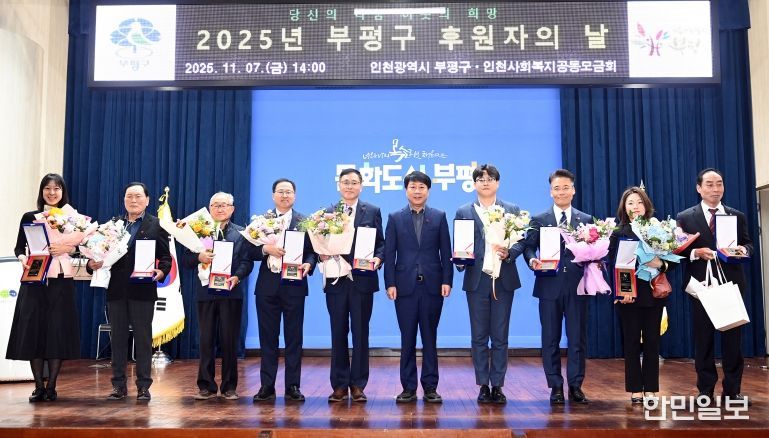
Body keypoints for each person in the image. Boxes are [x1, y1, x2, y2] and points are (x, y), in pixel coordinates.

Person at [88, 182, 171, 401]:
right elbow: (97, 254)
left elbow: (166, 258)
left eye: (138, 196)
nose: (133, 200)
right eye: (129, 196)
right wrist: (91, 263)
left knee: (143, 339)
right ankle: (118, 385)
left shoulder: (156, 225)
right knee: (117, 338)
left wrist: (161, 271)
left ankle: (143, 386)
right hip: (116, 289)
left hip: (142, 291)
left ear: (147, 200)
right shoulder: (112, 225)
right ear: (123, 199)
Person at [676, 168, 753, 404]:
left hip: (731, 284)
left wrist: (743, 250)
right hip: (701, 287)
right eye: (709, 184)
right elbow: (676, 251)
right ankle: (705, 391)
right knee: (704, 341)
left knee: (733, 342)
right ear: (699, 188)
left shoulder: (736, 215)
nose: (715, 189)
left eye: (719, 184)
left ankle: (733, 391)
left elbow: (749, 243)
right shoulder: (685, 217)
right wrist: (695, 253)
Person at [454, 164, 524, 405]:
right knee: (479, 336)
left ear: (498, 183)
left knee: (500, 336)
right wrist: (460, 260)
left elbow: (521, 241)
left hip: (503, 279)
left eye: (490, 178)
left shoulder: (511, 210)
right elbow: (459, 243)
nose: (485, 182)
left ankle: (498, 385)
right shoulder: (464, 211)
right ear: (474, 184)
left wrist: (510, 252)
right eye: (481, 179)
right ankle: (483, 384)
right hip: (477, 280)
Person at [7, 173, 80, 402]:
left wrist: (67, 249)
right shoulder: (30, 216)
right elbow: (19, 247)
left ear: (62, 192)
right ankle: (39, 386)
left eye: (56, 188)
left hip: (60, 281)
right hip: (35, 280)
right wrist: (23, 259)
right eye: (47, 188)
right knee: (34, 332)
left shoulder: (72, 218)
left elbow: (82, 247)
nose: (51, 192)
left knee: (56, 332)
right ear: (41, 192)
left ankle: (52, 387)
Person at [523, 169, 593, 404]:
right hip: (548, 285)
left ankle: (575, 385)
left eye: (565, 187)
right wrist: (532, 260)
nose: (561, 192)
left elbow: (594, 250)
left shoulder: (586, 220)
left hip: (577, 286)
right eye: (556, 188)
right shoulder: (539, 219)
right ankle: (555, 386)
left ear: (573, 190)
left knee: (577, 339)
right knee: (550, 339)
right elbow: (529, 247)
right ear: (550, 191)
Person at [384, 171, 453, 404]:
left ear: (428, 191)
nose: (417, 191)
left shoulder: (439, 216)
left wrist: (447, 280)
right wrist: (390, 283)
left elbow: (446, 251)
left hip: (433, 287)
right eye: (413, 187)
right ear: (406, 190)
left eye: (421, 187)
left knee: (430, 338)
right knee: (407, 339)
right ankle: (408, 387)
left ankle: (431, 387)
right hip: (404, 287)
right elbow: (390, 254)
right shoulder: (395, 218)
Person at [323, 168, 384, 403]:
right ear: (338, 185)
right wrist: (321, 254)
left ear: (361, 186)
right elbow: (318, 242)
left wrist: (378, 258)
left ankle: (358, 384)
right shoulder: (327, 213)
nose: (349, 186)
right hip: (336, 280)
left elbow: (381, 243)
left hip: (363, 281)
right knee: (337, 332)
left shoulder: (373, 211)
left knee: (361, 332)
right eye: (345, 182)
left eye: (354, 182)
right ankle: (339, 385)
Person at [251, 179, 316, 403]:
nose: (285, 195)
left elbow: (313, 251)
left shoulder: (304, 221)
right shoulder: (261, 221)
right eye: (281, 191)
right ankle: (267, 385)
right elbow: (248, 251)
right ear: (273, 196)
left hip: (295, 286)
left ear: (295, 196)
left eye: (289, 192)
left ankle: (293, 386)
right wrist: (265, 249)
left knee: (294, 338)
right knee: (267, 338)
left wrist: (309, 264)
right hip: (267, 287)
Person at [185, 192, 253, 401]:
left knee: (229, 341)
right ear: (209, 208)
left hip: (231, 293)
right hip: (206, 293)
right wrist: (199, 256)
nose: (220, 209)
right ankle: (206, 385)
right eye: (215, 205)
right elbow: (186, 260)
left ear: (232, 209)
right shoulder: (198, 232)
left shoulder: (242, 234)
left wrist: (237, 277)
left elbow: (247, 262)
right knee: (205, 340)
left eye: (224, 205)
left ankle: (229, 386)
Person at [608, 186, 670, 403]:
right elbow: (612, 264)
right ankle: (635, 389)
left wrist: (661, 264)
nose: (636, 207)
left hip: (654, 293)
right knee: (631, 342)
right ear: (624, 207)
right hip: (629, 295)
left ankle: (651, 388)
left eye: (639, 202)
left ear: (646, 205)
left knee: (653, 343)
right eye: (631, 203)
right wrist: (621, 292)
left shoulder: (659, 230)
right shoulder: (618, 232)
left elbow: (671, 261)